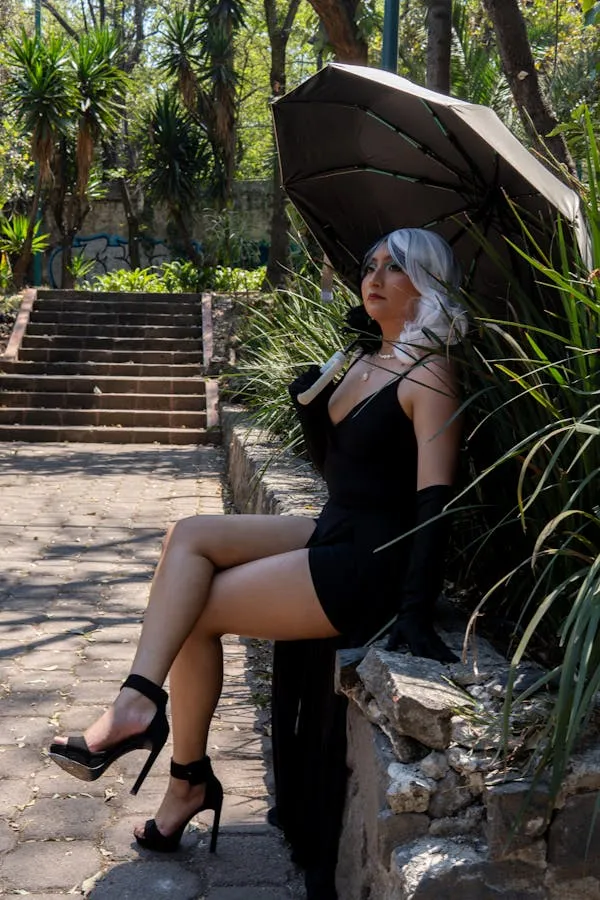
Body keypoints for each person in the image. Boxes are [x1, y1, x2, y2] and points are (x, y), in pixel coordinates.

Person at [47, 227, 467, 871]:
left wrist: (413, 609)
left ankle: (165, 750)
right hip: (338, 524)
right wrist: (313, 406)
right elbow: (345, 475)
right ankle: (159, 734)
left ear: (429, 286)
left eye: (397, 268)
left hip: (370, 560)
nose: (375, 278)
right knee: (188, 536)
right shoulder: (363, 360)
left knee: (197, 609)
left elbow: (435, 500)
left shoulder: (429, 373)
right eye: (371, 264)